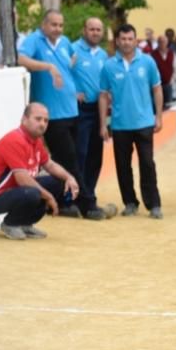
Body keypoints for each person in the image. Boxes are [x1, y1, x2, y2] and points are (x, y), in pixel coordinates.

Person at [0, 103, 80, 240]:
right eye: (38, 119)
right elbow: (23, 179)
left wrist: (69, 178)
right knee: (33, 192)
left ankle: (25, 224)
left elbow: (49, 164)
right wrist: (49, 197)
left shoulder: (35, 141)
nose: (43, 124)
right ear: (24, 119)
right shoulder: (15, 140)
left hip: (15, 190)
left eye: (45, 120)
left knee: (57, 183)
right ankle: (10, 224)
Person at [17, 9, 82, 217]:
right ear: (44, 24)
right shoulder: (34, 40)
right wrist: (47, 67)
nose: (58, 29)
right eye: (53, 25)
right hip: (51, 113)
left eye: (61, 25)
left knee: (75, 157)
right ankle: (70, 203)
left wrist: (71, 85)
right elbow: (21, 59)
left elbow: (73, 58)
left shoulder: (64, 42)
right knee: (66, 158)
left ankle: (70, 201)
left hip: (71, 108)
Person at [98, 24, 164, 218]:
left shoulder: (148, 62)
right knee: (122, 166)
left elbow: (157, 89)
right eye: (123, 39)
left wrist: (158, 116)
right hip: (120, 125)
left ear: (136, 40)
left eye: (130, 39)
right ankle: (130, 203)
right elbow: (103, 95)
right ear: (117, 41)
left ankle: (154, 205)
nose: (126, 42)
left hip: (144, 123)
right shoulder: (109, 66)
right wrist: (103, 124)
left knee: (147, 163)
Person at [70, 16, 112, 220]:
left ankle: (89, 195)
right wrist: (73, 91)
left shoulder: (103, 55)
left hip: (100, 110)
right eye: (91, 29)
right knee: (80, 155)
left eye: (98, 29)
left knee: (96, 157)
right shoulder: (72, 49)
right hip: (80, 110)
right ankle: (80, 201)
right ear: (84, 30)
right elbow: (62, 72)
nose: (95, 32)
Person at [151, 34, 176, 106]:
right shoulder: (153, 54)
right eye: (160, 42)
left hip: (168, 85)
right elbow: (151, 70)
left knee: (169, 106)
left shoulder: (172, 53)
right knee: (157, 105)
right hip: (157, 85)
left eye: (164, 41)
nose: (162, 43)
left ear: (167, 42)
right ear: (158, 43)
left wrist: (172, 80)